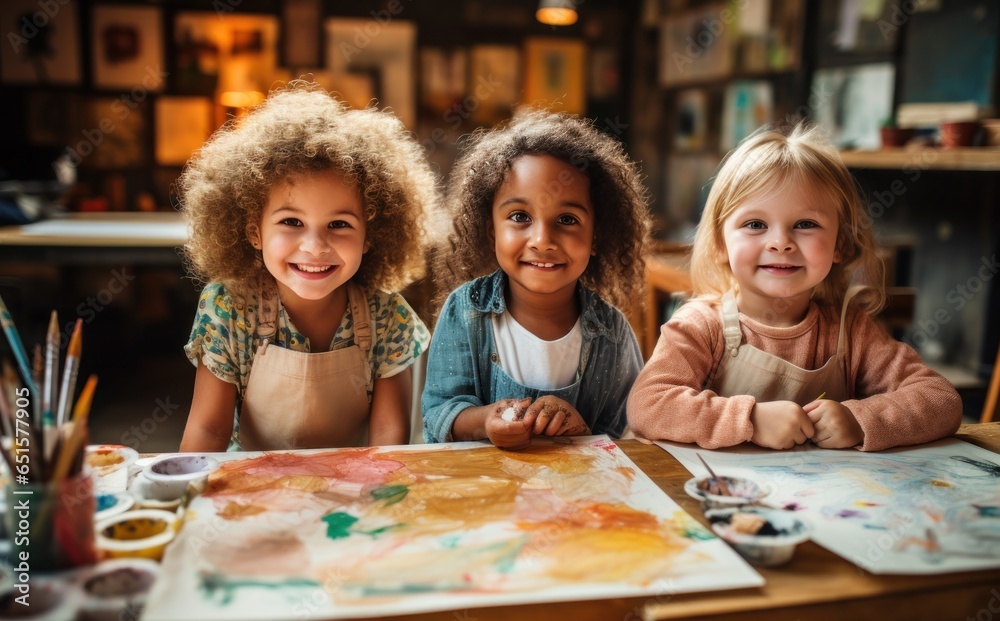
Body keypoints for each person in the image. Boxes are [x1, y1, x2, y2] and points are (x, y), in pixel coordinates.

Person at [628, 123, 962, 452]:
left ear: (840, 245)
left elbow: (940, 399)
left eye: (805, 224)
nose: (780, 243)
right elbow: (647, 405)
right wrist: (751, 419)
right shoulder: (701, 327)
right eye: (755, 224)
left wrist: (859, 420)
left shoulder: (850, 331)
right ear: (720, 243)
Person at [178, 82, 438, 452]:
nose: (315, 247)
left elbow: (388, 444)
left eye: (339, 224)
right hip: (251, 493)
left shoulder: (387, 316)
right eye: (291, 222)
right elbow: (207, 434)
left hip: (353, 491)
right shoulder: (227, 309)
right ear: (255, 231)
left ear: (370, 236)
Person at [422, 109, 653, 449]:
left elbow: (629, 432)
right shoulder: (465, 311)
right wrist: (487, 421)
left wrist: (581, 430)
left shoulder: (612, 332)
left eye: (567, 219)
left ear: (597, 237)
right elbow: (438, 415)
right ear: (492, 232)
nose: (542, 239)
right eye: (520, 217)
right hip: (485, 492)